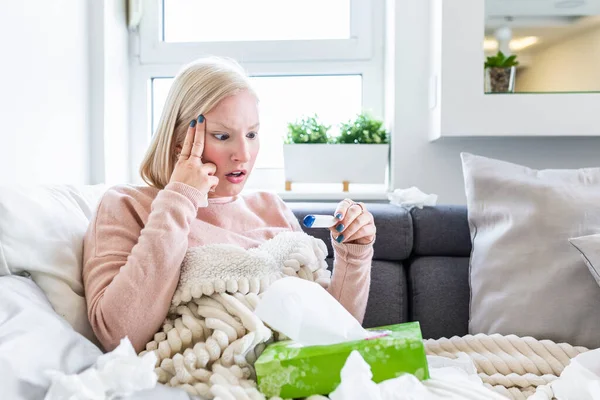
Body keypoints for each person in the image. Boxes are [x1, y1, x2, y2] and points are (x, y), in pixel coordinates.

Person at [82, 57, 376, 353]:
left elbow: (334, 336)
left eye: (252, 134)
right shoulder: (127, 205)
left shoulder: (270, 206)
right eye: (222, 136)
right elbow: (119, 336)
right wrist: (180, 198)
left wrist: (353, 254)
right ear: (177, 143)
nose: (243, 154)